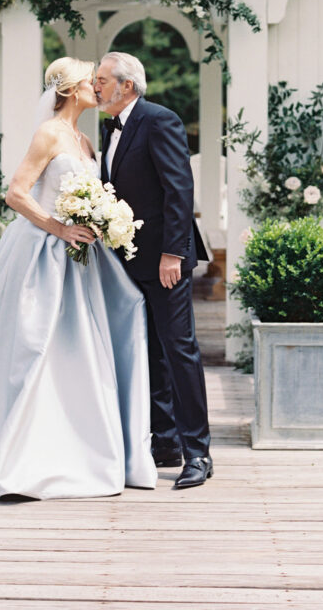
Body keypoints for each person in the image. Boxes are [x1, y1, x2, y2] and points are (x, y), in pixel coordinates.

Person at [0, 57, 157, 499]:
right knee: (35, 346)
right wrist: (60, 227)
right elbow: (16, 194)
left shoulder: (85, 140)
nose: (97, 89)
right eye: (89, 82)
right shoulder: (49, 134)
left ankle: (80, 445)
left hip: (83, 259)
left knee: (81, 349)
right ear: (70, 90)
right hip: (42, 251)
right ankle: (21, 449)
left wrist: (101, 221)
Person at [94, 52, 213, 490]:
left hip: (165, 260)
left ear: (126, 85)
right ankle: (165, 442)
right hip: (126, 261)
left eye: (102, 79)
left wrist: (172, 255)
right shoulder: (108, 129)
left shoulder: (160, 120)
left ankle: (198, 452)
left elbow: (179, 188)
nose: (95, 86)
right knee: (150, 352)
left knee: (180, 350)